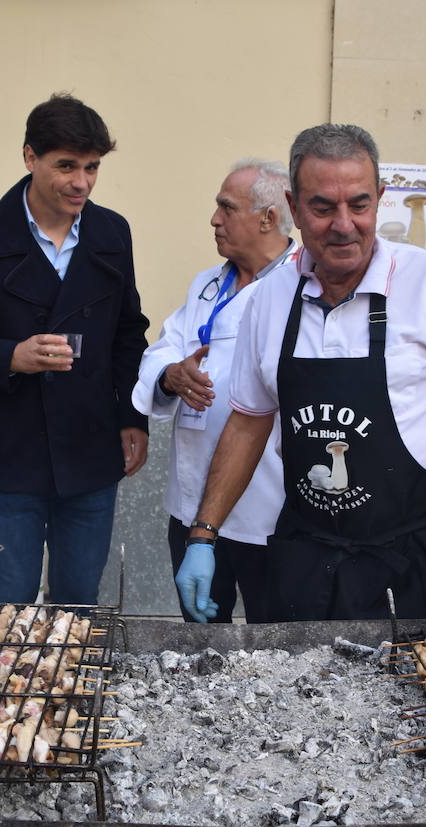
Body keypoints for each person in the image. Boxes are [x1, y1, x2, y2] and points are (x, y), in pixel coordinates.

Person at [172, 126, 426, 827]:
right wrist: (203, 534)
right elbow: (246, 422)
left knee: (425, 721)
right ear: (293, 211)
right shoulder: (269, 300)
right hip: (313, 546)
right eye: (324, 206)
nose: (345, 224)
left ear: (377, 201)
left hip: (418, 551)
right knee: (306, 713)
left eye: (360, 204)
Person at [0, 93, 149, 607]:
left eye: (92, 168)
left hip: (92, 452)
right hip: (8, 456)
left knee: (78, 601)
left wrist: (132, 416)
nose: (81, 182)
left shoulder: (112, 232)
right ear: (30, 158)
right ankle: (13, 688)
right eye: (66, 166)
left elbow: (129, 333)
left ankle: (68, 689)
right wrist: (10, 356)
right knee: (10, 603)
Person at [131, 159, 296, 623]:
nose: (214, 219)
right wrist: (171, 376)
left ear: (268, 217)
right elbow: (161, 351)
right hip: (190, 505)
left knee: (275, 640)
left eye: (226, 207)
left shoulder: (304, 286)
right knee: (202, 639)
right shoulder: (206, 283)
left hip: (268, 510)